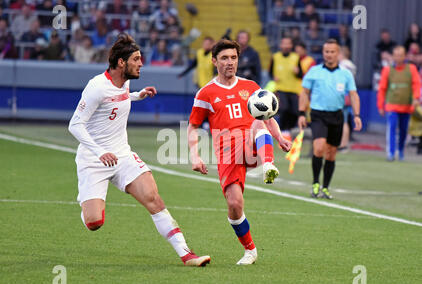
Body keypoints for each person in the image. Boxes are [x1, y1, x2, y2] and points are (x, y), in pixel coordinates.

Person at [68, 34, 210, 267]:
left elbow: (118, 99)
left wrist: (137, 95)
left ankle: (187, 254)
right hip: (93, 160)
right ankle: (86, 203)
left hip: (122, 155)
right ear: (121, 63)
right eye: (136, 59)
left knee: (153, 198)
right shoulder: (96, 87)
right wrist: (99, 152)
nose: (141, 63)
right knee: (94, 222)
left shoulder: (126, 82)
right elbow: (75, 125)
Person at [187, 39, 291, 265]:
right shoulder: (206, 93)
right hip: (228, 153)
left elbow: (267, 117)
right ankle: (250, 250)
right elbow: (193, 126)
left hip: (253, 144)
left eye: (233, 57)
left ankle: (268, 165)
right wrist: (195, 156)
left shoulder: (251, 86)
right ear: (214, 61)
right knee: (234, 205)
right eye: (224, 58)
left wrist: (280, 138)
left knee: (257, 124)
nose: (230, 62)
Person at [298, 39, 362, 199]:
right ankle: (315, 184)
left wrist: (356, 115)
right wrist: (301, 113)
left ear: (338, 53)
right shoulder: (314, 71)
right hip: (318, 114)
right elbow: (304, 92)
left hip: (337, 116)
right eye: (327, 51)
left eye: (333, 52)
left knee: (331, 153)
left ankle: (325, 187)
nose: (329, 54)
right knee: (319, 148)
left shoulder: (345, 74)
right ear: (323, 53)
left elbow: (353, 94)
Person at [377, 45, 421, 161]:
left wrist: (416, 98)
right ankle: (391, 153)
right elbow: (382, 89)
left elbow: (417, 84)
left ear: (405, 56)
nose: (398, 58)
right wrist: (380, 105)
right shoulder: (387, 70)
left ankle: (400, 150)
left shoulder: (411, 69)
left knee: (403, 130)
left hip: (406, 106)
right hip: (392, 105)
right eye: (396, 55)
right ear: (393, 57)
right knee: (391, 128)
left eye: (400, 55)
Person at [269, 36, 302, 141]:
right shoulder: (275, 57)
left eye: (288, 43)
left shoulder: (296, 57)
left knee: (295, 111)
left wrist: (298, 72)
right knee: (284, 109)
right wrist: (273, 77)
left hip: (293, 89)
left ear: (291, 45)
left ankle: (289, 130)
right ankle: (282, 131)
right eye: (284, 43)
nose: (286, 46)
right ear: (281, 45)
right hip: (281, 88)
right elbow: (270, 72)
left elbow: (301, 74)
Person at [338, 45, 357, 151]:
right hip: (348, 94)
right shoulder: (351, 65)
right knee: (344, 120)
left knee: (342, 121)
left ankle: (342, 144)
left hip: (342, 94)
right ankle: (343, 143)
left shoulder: (343, 65)